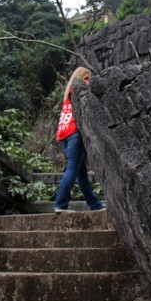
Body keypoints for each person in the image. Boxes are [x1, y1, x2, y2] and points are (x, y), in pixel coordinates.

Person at [54, 67, 106, 213]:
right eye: (87, 76)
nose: (89, 79)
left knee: (80, 172)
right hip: (74, 134)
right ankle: (61, 203)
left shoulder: (68, 95)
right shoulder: (81, 86)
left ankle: (94, 204)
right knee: (72, 168)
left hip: (63, 136)